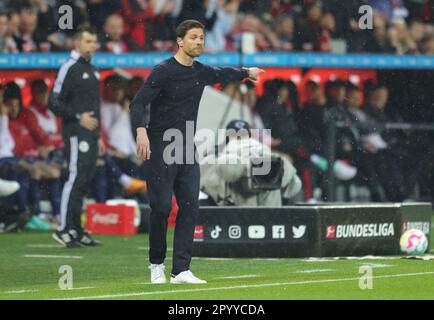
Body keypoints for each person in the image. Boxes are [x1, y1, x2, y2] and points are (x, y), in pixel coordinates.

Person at [130, 19, 264, 284]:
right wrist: (141, 131)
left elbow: (222, 72)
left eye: (201, 37)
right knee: (160, 207)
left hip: (187, 148)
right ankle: (156, 264)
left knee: (190, 205)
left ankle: (181, 269)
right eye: (193, 37)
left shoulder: (200, 71)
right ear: (180, 41)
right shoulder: (162, 71)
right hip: (160, 146)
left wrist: (247, 71)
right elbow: (137, 103)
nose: (199, 42)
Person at [49, 26, 104, 248]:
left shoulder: (93, 70)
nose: (93, 45)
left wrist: (99, 136)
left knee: (84, 180)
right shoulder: (69, 68)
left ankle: (76, 229)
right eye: (88, 41)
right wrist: (78, 117)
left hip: (90, 134)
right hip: (75, 132)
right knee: (75, 178)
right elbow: (53, 102)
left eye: (94, 42)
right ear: (77, 43)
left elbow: (94, 107)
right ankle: (63, 229)